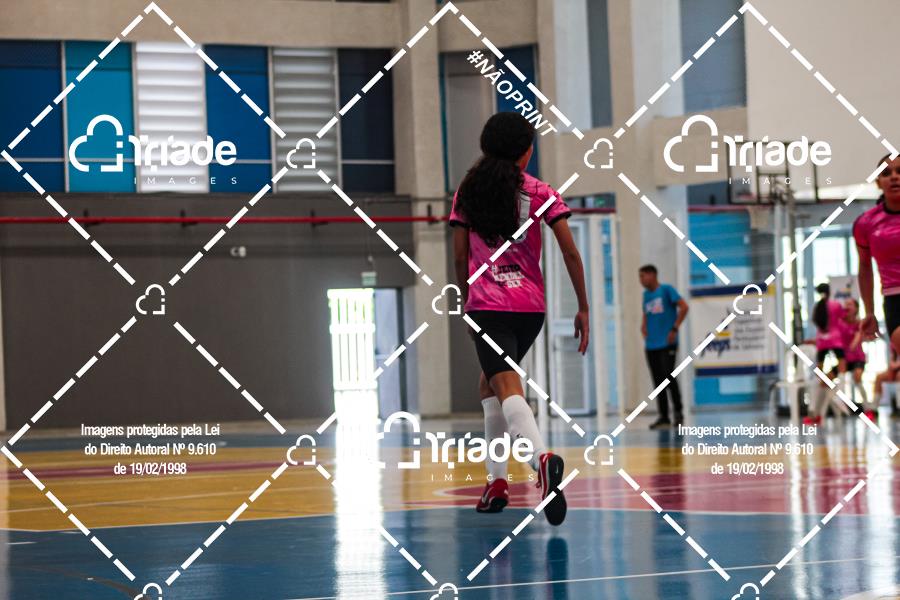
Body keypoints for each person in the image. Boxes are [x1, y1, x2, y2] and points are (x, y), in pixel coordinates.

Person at [449, 112, 590, 526]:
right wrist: (582, 306)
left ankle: (540, 460)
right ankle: (496, 483)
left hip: (488, 305)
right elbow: (570, 252)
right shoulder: (541, 191)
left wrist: (467, 298)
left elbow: (459, 256)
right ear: (527, 153)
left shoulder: (468, 191)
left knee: (506, 384)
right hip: (530, 309)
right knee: (489, 384)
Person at [856, 154, 900, 351]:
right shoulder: (866, 224)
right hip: (895, 299)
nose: (894, 177)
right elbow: (865, 266)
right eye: (886, 173)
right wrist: (869, 312)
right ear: (878, 182)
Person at [639, 265, 689, 429]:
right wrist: (644, 326)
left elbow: (684, 307)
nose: (641, 280)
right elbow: (646, 313)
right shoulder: (646, 295)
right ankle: (664, 417)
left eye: (643, 276)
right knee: (657, 381)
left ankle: (678, 413)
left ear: (652, 275)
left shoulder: (667, 290)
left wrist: (675, 328)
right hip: (651, 344)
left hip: (667, 343)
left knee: (669, 376)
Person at [804, 283, 847, 425]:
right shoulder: (835, 305)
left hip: (822, 341)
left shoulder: (817, 307)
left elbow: (817, 323)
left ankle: (814, 411)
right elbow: (843, 318)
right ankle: (840, 396)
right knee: (842, 368)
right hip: (835, 340)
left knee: (819, 376)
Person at [841, 298, 873, 419]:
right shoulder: (840, 323)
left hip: (858, 358)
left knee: (857, 377)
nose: (847, 306)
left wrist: (859, 337)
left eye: (850, 304)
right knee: (826, 380)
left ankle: (868, 409)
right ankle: (821, 413)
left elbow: (858, 340)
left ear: (856, 309)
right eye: (845, 304)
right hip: (844, 359)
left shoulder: (859, 324)